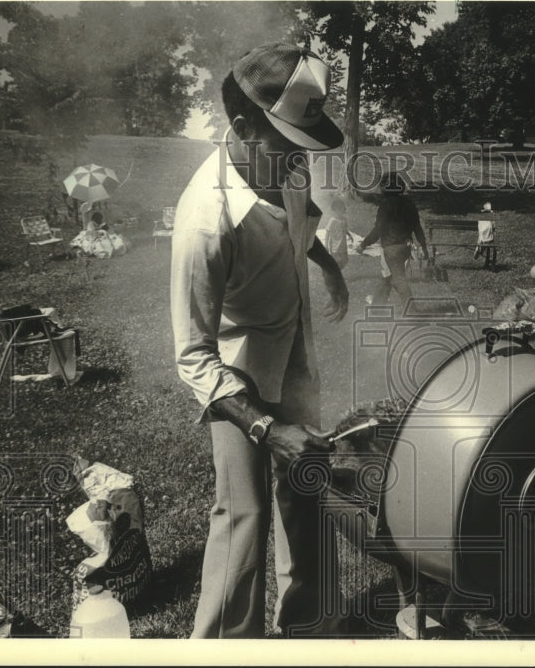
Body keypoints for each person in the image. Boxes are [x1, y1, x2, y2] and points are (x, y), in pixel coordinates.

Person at [170, 43, 350, 639]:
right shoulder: (206, 218)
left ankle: (303, 628)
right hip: (234, 371)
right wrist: (269, 430)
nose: (302, 160)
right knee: (243, 514)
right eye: (290, 144)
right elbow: (194, 357)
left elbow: (304, 222)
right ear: (244, 128)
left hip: (292, 347)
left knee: (306, 491)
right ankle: (225, 645)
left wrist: (327, 266)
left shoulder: (286, 166)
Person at [356, 171, 429, 307]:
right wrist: (424, 247)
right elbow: (417, 228)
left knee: (398, 280)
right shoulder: (409, 204)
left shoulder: (385, 205)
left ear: (384, 188)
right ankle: (377, 307)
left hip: (391, 249)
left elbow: (378, 230)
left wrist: (363, 245)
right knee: (388, 277)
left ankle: (412, 313)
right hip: (405, 248)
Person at [323, 198, 351, 270]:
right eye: (340, 209)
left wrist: (349, 235)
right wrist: (326, 245)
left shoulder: (344, 219)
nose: (342, 210)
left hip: (343, 245)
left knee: (345, 260)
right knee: (336, 261)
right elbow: (327, 233)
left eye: (343, 208)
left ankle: (335, 271)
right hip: (335, 246)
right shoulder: (332, 220)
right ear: (335, 210)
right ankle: (334, 273)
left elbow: (345, 230)